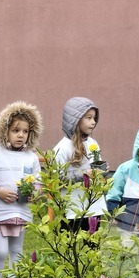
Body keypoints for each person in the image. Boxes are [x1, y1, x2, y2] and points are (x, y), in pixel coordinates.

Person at [0, 102, 43, 278]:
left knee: (17, 252)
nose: (21, 135)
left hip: (20, 212)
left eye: (25, 131)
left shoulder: (31, 158)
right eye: (16, 130)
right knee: (1, 250)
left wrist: (34, 193)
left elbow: (38, 182)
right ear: (5, 130)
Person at [53, 97, 107, 230]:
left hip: (94, 206)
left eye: (94, 118)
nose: (93, 122)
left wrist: (102, 171)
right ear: (74, 119)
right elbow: (58, 179)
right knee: (73, 247)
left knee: (92, 246)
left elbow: (95, 166)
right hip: (73, 209)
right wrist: (82, 175)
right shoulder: (62, 148)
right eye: (88, 118)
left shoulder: (93, 143)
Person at [106, 127, 139, 235]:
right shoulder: (126, 168)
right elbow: (114, 191)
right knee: (128, 248)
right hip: (128, 222)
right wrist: (112, 212)